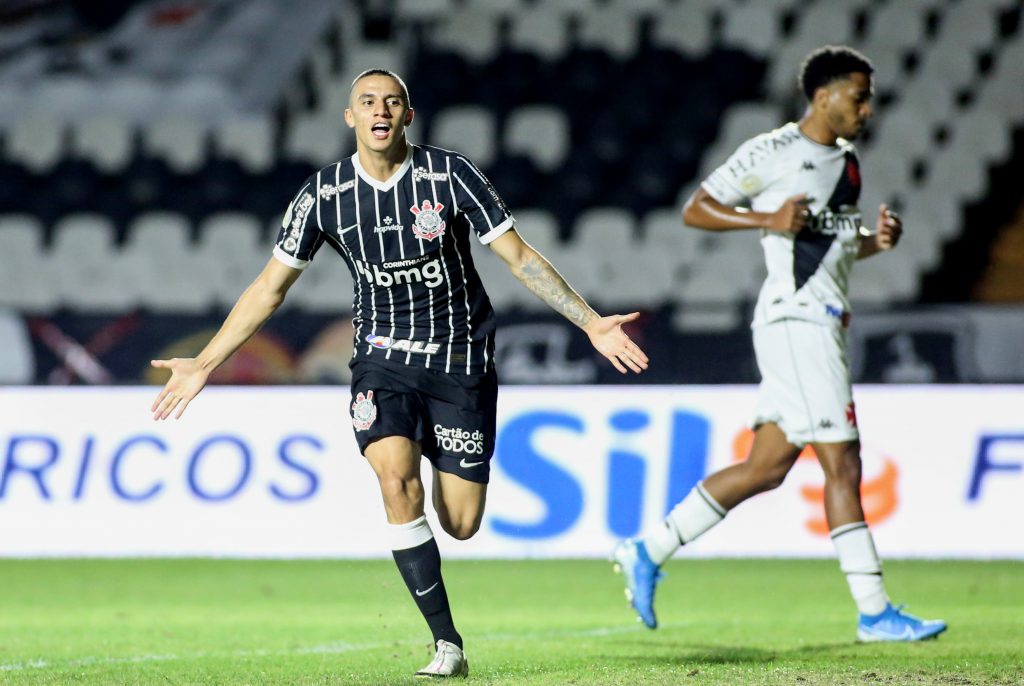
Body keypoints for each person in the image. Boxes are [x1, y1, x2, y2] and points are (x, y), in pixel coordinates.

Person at [150, 68, 649, 677]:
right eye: (367, 102)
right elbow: (269, 288)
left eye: (392, 102)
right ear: (350, 117)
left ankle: (445, 462)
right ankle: (447, 643)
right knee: (394, 481)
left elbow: (518, 258)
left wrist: (590, 321)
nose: (380, 110)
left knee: (460, 523)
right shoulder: (324, 195)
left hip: (460, 360)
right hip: (381, 359)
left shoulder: (449, 174)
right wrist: (205, 363)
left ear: (407, 116)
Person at [612, 46, 946, 642]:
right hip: (798, 322)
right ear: (824, 96)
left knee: (765, 467)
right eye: (859, 96)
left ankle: (648, 548)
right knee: (842, 463)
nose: (868, 109)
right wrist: (761, 220)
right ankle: (875, 612)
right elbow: (698, 209)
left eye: (869, 98)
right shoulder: (775, 150)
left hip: (817, 320)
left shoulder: (844, 162)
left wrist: (876, 242)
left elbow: (828, 244)